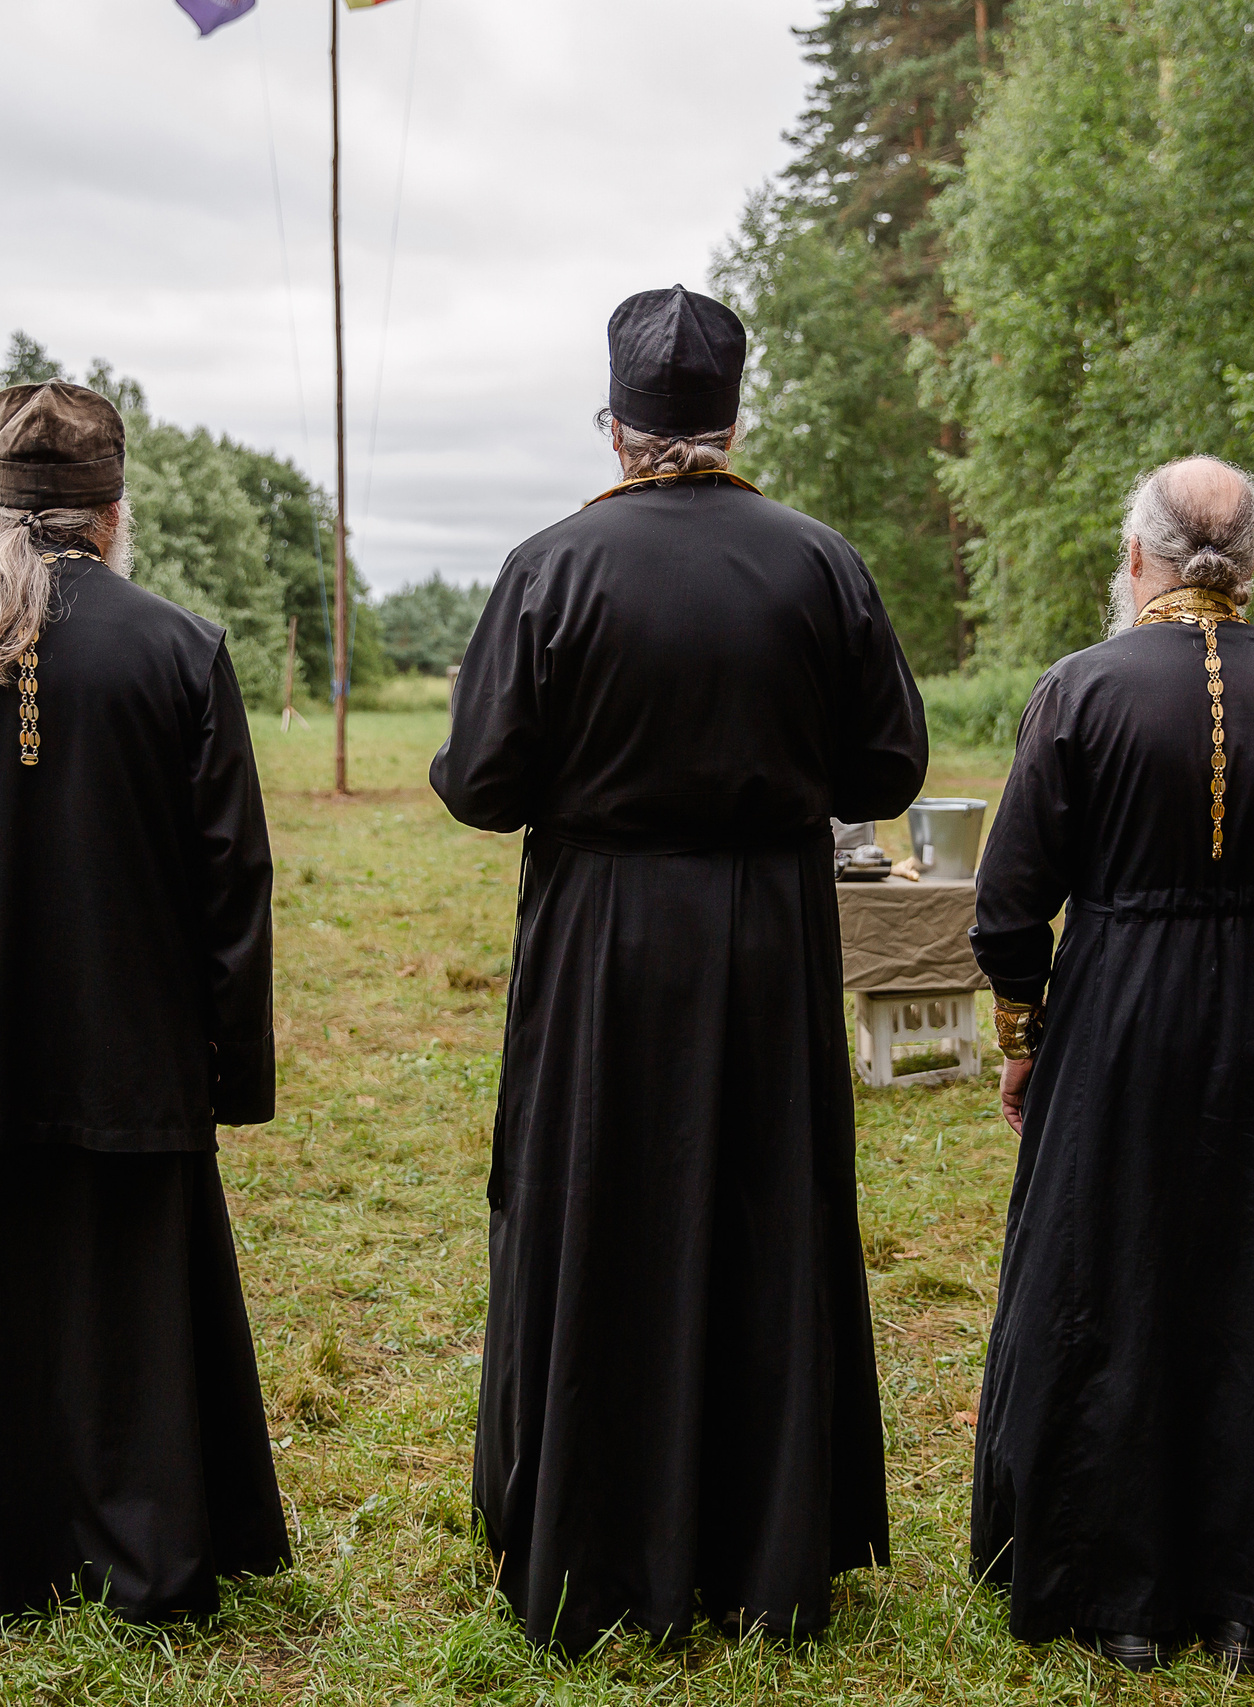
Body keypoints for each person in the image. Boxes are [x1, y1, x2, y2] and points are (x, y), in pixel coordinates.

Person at [433, 286, 925, 1653]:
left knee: (597, 1200)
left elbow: (478, 782)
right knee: (765, 1205)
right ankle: (761, 1551)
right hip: (766, 929)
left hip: (603, 932)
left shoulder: (550, 565)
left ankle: (593, 1543)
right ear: (732, 421)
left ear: (616, 426)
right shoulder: (819, 561)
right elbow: (888, 767)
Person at [0, 379, 289, 1624]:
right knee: (128, 1308)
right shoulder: (178, 646)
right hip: (131, 1051)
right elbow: (234, 880)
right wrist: (229, 1067)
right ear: (113, 510)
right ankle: (144, 1540)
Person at [966, 458, 1254, 1675]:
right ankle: (1237, 1603)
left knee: (1106, 1273)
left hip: (1114, 1012)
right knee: (1249, 1287)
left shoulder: (1080, 688)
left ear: (1137, 557)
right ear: (1251, 559)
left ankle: (1116, 1594)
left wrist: (1024, 1036)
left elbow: (1009, 903)